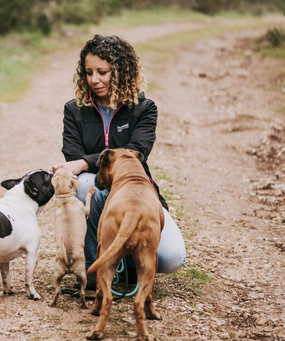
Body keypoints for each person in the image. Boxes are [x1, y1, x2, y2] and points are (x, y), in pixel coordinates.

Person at [52, 35, 186, 286]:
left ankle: (130, 263)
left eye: (102, 72)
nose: (94, 80)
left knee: (171, 258)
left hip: (136, 190)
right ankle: (94, 270)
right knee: (87, 186)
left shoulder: (144, 108)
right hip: (96, 184)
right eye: (89, 72)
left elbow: (135, 152)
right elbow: (72, 155)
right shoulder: (73, 109)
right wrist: (81, 164)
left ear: (121, 71)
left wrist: (83, 162)